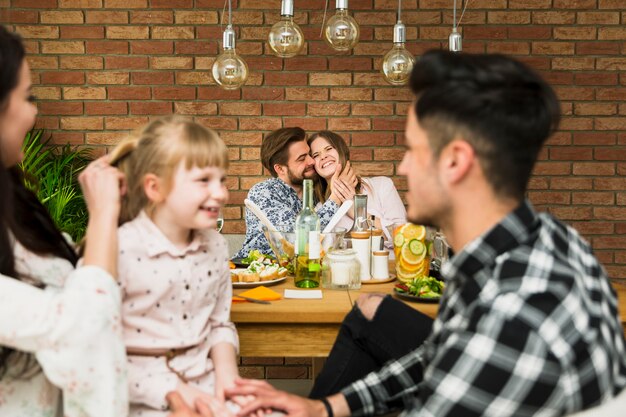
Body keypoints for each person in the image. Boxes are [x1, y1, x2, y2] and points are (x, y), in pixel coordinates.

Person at [228, 50, 626, 416]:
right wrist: (327, 409)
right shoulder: (546, 240)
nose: (401, 168)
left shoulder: (514, 317)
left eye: (412, 151)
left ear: (455, 162)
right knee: (369, 308)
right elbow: (442, 352)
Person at [0, 26, 128, 417]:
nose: (35, 111)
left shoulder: (13, 205)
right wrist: (104, 214)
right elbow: (81, 328)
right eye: (28, 97)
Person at [108, 116, 245, 417]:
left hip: (208, 386)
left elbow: (219, 323)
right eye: (203, 180)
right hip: (139, 399)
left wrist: (229, 382)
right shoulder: (118, 248)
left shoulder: (216, 246)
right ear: (155, 188)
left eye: (222, 179)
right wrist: (178, 392)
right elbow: (100, 349)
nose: (221, 192)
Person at [234, 127, 355, 258]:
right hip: (252, 270)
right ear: (280, 169)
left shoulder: (315, 192)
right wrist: (336, 196)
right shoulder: (264, 193)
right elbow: (297, 240)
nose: (311, 161)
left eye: (309, 154)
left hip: (298, 272)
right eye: (302, 158)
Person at [308, 130, 406, 238]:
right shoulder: (319, 209)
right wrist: (336, 198)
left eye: (329, 149)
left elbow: (403, 236)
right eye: (316, 155)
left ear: (342, 152)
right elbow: (311, 243)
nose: (323, 156)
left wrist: (356, 211)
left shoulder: (382, 186)